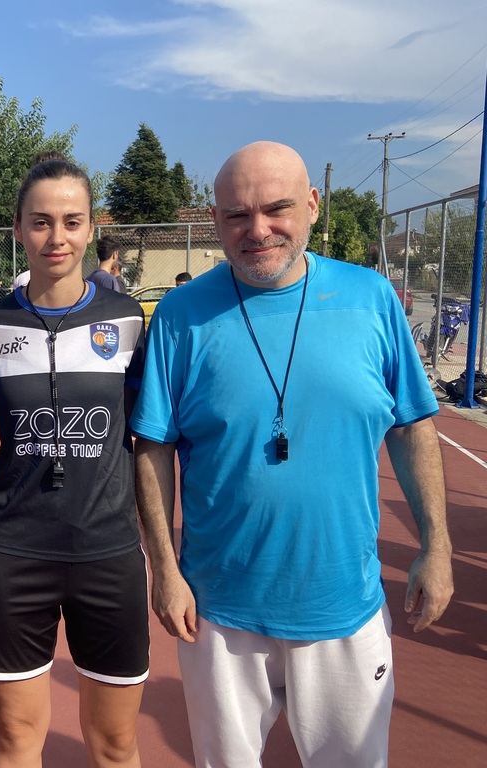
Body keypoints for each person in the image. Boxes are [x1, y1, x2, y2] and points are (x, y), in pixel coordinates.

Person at [131, 141, 453, 767]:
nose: (257, 230)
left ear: (311, 205)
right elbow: (153, 448)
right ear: (215, 219)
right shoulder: (180, 315)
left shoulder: (371, 300)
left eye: (276, 208)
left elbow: (413, 429)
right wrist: (164, 571)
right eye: (236, 215)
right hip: (219, 610)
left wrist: (436, 546)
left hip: (343, 604)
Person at [0, 155, 150, 767]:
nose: (56, 237)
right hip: (15, 554)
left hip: (108, 552)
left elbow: (150, 437)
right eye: (40, 222)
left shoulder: (128, 321)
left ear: (91, 228)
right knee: (16, 740)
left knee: (115, 744)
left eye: (71, 221)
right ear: (17, 228)